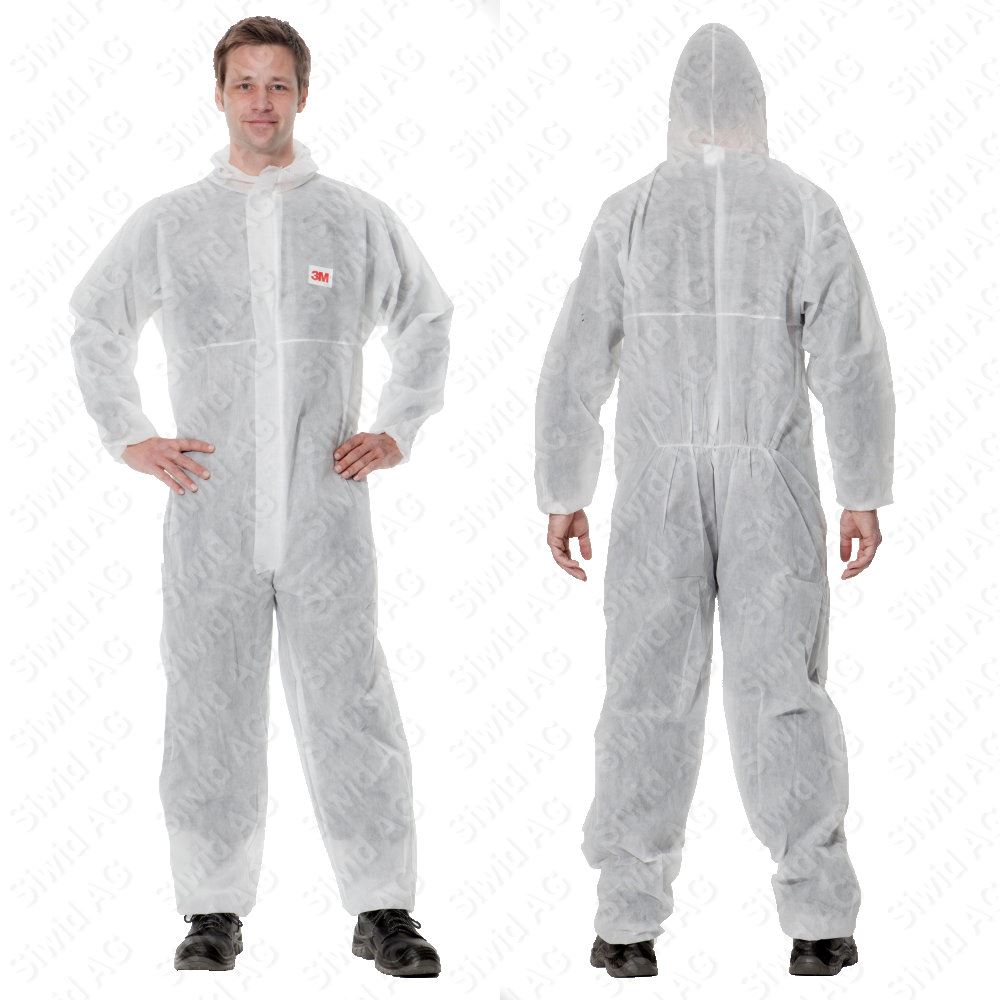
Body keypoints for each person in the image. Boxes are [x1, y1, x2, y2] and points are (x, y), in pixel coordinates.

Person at [69, 16, 451, 978]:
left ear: (303, 95)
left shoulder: (351, 218)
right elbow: (95, 319)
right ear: (219, 94)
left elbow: (427, 316)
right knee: (209, 709)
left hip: (326, 510)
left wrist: (399, 425)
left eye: (278, 84)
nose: (261, 103)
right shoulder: (171, 223)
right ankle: (211, 908)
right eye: (244, 84)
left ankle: (383, 906)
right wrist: (129, 433)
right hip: (211, 510)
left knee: (352, 706)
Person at [534, 22, 895, 979]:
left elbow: (578, 356)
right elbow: (851, 357)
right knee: (784, 691)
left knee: (646, 689)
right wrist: (861, 490)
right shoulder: (802, 206)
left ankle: (626, 924)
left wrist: (565, 488)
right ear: (757, 104)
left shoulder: (634, 208)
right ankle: (819, 923)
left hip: (658, 484)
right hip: (772, 481)